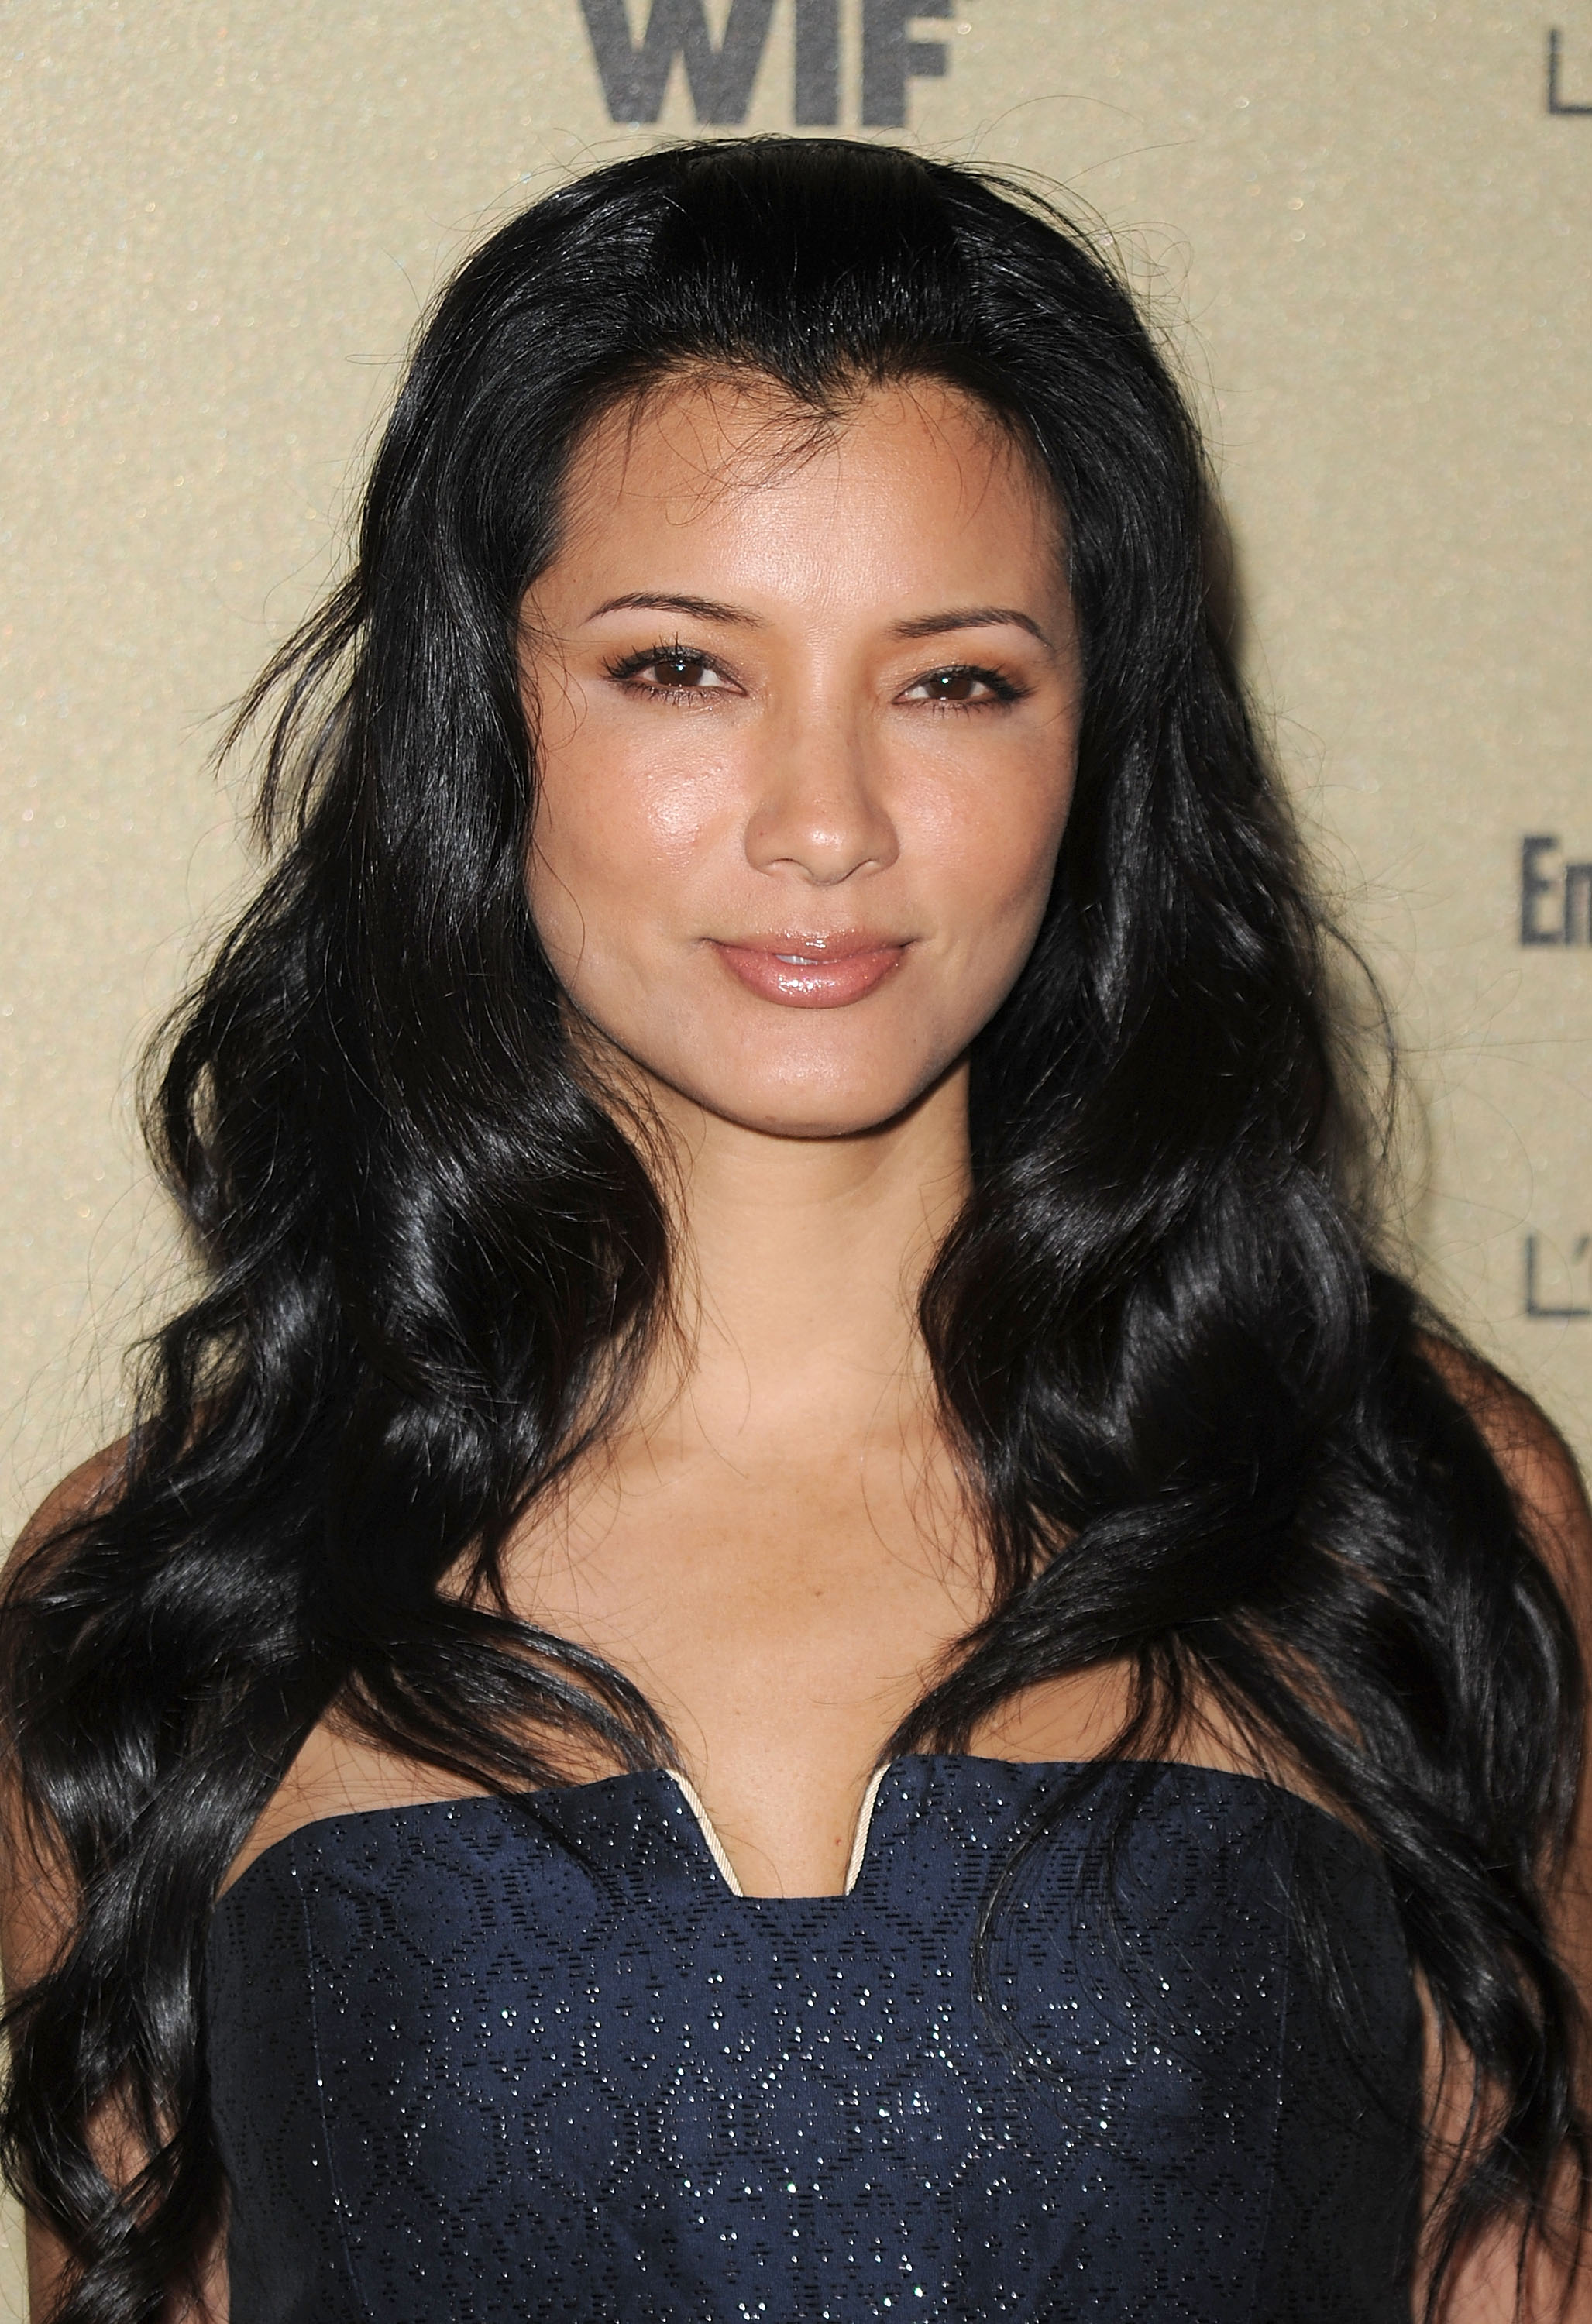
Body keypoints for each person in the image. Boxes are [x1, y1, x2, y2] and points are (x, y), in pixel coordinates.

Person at [1, 132, 1587, 2324]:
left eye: (956, 681)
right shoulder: (167, 1595)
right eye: (680, 669)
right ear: (480, 719)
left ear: (1100, 743)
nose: (826, 823)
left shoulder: (1400, 1510)